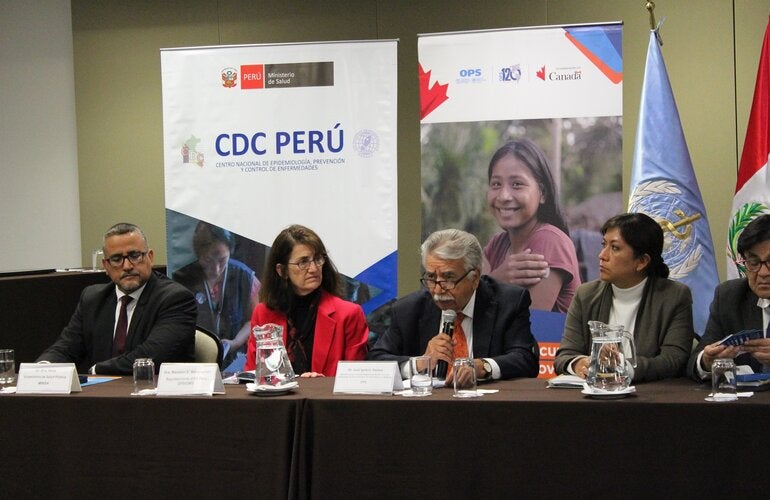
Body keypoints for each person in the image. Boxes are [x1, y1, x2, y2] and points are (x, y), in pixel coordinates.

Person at [368, 228, 539, 382]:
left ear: (475, 277)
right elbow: (375, 361)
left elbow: (525, 359)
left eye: (449, 278)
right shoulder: (408, 310)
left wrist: (483, 367)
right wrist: (420, 363)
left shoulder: (508, 302)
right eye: (431, 277)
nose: (437, 290)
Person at [37, 223, 197, 374]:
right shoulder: (93, 299)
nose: (127, 266)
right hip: (104, 392)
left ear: (150, 257)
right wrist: (42, 369)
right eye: (116, 259)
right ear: (106, 266)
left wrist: (98, 370)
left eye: (135, 256)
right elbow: (65, 348)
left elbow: (152, 355)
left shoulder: (175, 299)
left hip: (155, 391)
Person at [554, 213, 694, 382]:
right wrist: (580, 363)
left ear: (642, 261)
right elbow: (565, 356)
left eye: (614, 248)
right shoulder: (586, 295)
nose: (602, 255)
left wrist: (623, 366)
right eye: (604, 245)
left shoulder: (674, 296)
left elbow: (674, 360)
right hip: (594, 394)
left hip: (649, 394)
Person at [243, 224, 368, 377]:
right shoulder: (263, 313)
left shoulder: (348, 314)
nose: (314, 268)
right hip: (279, 394)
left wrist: (320, 385)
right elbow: (254, 375)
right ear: (282, 271)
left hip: (328, 393)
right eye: (303, 262)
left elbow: (356, 381)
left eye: (318, 259)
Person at [482, 138, 581, 313]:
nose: (504, 196)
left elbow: (526, 324)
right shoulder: (497, 245)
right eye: (496, 184)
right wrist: (497, 279)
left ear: (542, 193)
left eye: (517, 184)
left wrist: (487, 285)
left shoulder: (550, 241)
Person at [688, 214, 770, 380]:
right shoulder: (730, 296)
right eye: (753, 262)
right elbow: (696, 361)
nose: (763, 272)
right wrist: (707, 361)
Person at [173, 221, 260, 367]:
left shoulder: (245, 276)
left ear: (230, 252)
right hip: (196, 360)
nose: (216, 269)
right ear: (198, 254)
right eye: (208, 260)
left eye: (222, 260)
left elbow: (253, 320)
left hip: (236, 361)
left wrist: (235, 342)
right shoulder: (182, 279)